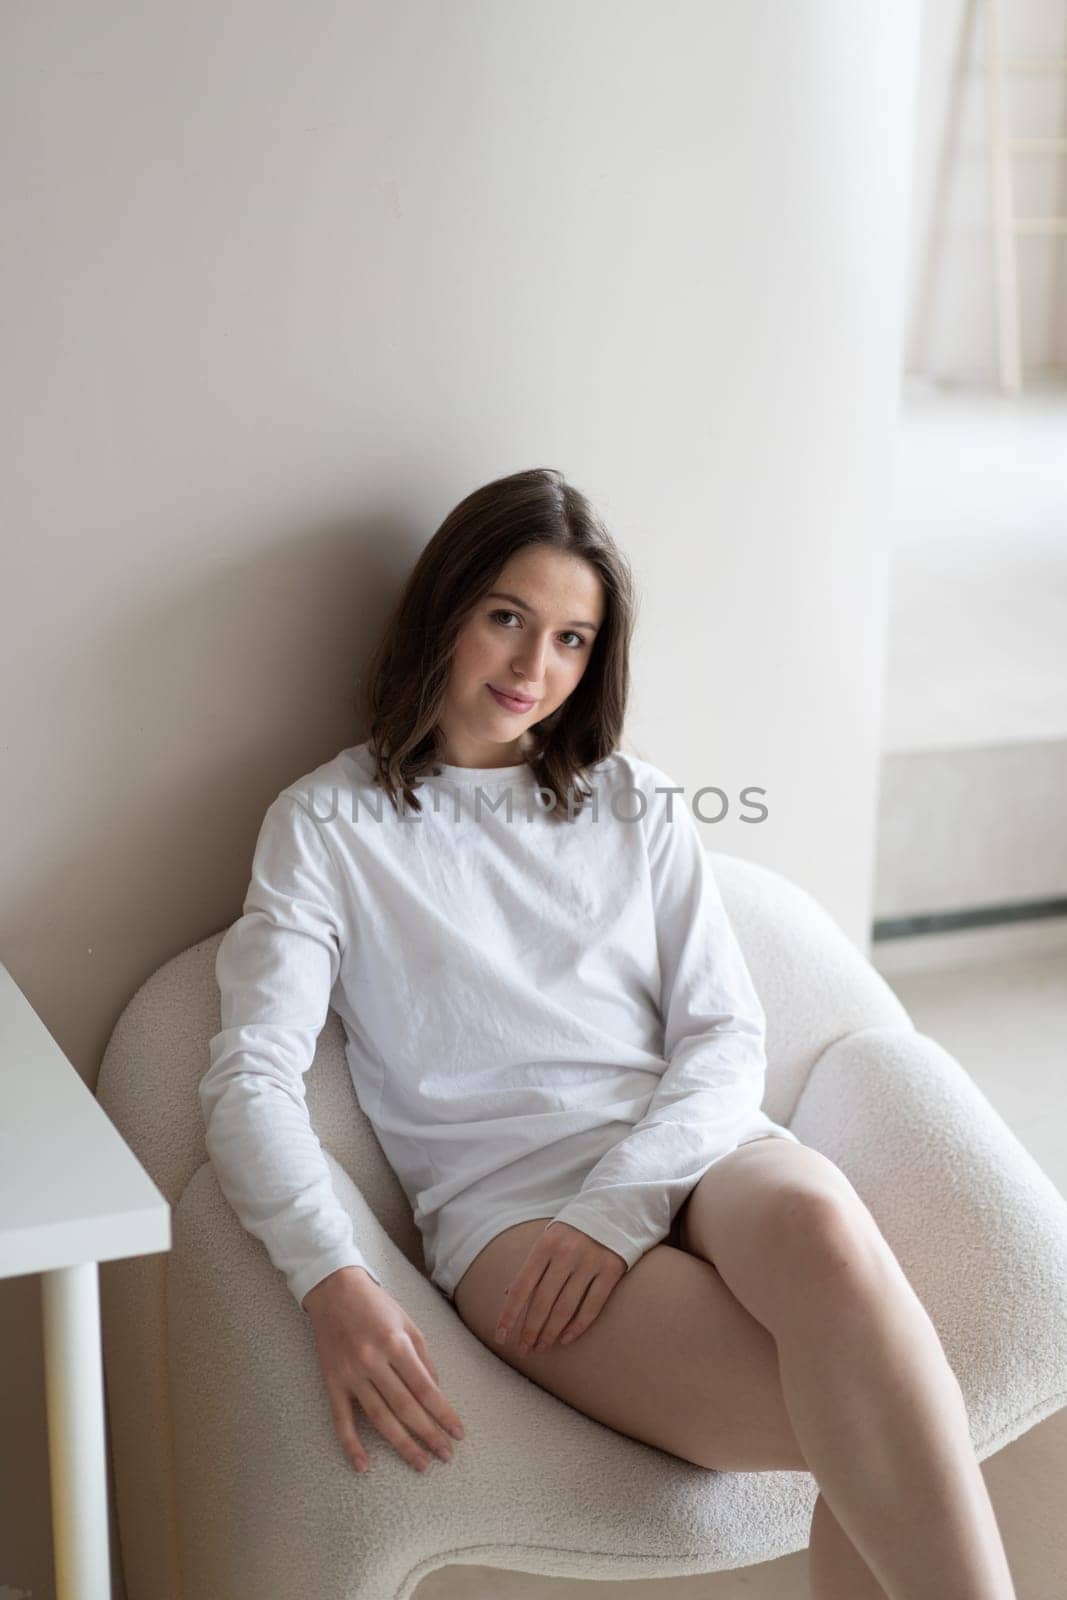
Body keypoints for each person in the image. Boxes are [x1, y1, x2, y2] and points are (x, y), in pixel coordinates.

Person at [200, 467, 1016, 1599]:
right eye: (506, 619)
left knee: (828, 1238)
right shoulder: (326, 826)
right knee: (870, 1423)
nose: (535, 669)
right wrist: (330, 1278)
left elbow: (725, 1034)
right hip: (515, 1213)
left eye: (572, 639)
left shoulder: (631, 801)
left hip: (691, 1148)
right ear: (443, 610)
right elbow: (248, 1080)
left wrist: (621, 1204)